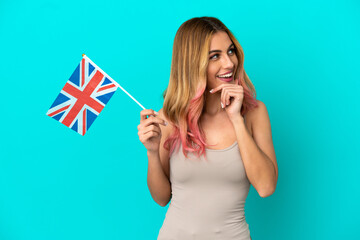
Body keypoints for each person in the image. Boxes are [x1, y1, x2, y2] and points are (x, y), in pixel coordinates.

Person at [137, 16, 278, 240]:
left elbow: (266, 187)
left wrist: (236, 120)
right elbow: (162, 198)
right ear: (193, 64)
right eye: (215, 56)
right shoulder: (169, 117)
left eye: (230, 52)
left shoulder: (254, 112)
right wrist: (152, 152)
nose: (229, 63)